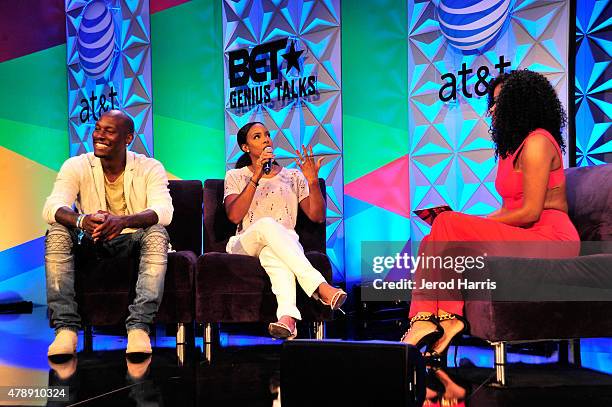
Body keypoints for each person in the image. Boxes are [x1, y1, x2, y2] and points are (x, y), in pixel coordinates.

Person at [401, 70, 580, 361]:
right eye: (492, 102)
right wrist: (467, 224)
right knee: (432, 241)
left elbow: (530, 212)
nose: (493, 109)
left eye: (500, 101)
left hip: (550, 237)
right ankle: (437, 318)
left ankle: (435, 317)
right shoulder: (510, 151)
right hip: (525, 232)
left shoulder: (538, 142)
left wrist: (465, 224)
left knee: (447, 223)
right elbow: (508, 209)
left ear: (521, 103)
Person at [43, 110, 173, 356]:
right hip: (91, 240)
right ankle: (66, 329)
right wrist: (82, 220)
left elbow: (164, 212)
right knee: (57, 230)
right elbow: (51, 207)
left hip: (132, 240)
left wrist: (122, 221)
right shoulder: (77, 165)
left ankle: (138, 328)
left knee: (156, 232)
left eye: (109, 131)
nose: (98, 135)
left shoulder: (149, 167)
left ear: (128, 138)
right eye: (98, 128)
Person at [224, 121, 347, 339]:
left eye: (267, 135)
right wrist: (256, 176)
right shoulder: (236, 176)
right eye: (257, 136)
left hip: (282, 243)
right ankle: (320, 286)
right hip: (244, 243)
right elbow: (234, 215)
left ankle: (287, 319)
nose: (266, 140)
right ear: (245, 147)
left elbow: (317, 216)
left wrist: (312, 181)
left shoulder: (292, 176)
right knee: (267, 224)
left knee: (274, 254)